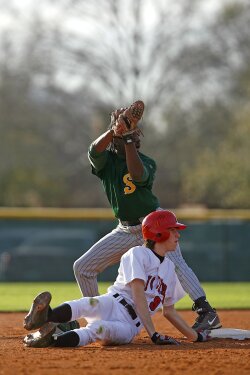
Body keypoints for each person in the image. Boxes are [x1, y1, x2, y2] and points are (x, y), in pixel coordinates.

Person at [73, 102, 221, 332]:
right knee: (83, 267)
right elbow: (94, 150)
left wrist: (128, 136)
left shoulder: (147, 162)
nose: (122, 134)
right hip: (124, 229)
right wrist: (115, 129)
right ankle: (99, 319)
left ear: (137, 137)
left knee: (176, 263)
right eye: (119, 130)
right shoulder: (107, 163)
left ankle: (206, 311)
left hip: (152, 222)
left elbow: (137, 174)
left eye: (130, 131)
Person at [23, 210, 211, 348]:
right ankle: (44, 317)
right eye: (173, 230)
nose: (178, 234)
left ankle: (51, 341)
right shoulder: (138, 254)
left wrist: (196, 336)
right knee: (87, 303)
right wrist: (153, 334)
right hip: (113, 302)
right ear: (159, 233)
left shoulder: (170, 269)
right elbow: (138, 294)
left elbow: (169, 311)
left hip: (129, 325)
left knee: (97, 330)